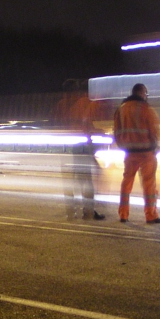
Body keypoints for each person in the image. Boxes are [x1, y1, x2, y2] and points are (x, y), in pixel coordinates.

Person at [54, 81, 105, 221]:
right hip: (82, 147)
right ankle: (88, 212)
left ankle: (71, 212)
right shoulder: (85, 103)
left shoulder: (61, 105)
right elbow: (90, 123)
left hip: (65, 148)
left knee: (69, 182)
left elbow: (57, 124)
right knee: (86, 181)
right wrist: (99, 132)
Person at [113, 83, 160, 223]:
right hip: (146, 153)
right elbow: (154, 131)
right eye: (146, 94)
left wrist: (123, 146)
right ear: (142, 93)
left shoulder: (121, 110)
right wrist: (155, 146)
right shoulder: (146, 109)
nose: (146, 97)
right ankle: (151, 215)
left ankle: (123, 214)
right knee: (149, 185)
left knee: (126, 183)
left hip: (129, 153)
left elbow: (116, 132)